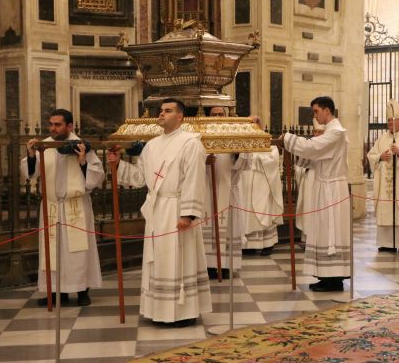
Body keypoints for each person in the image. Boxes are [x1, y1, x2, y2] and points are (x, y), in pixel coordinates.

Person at [107, 98, 211, 326]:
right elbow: (140, 178)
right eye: (161, 110)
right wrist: (118, 165)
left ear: (180, 116)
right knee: (159, 261)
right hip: (157, 211)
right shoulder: (152, 145)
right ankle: (159, 310)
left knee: (179, 258)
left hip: (176, 209)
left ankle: (183, 312)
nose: (162, 114)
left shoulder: (190, 143)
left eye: (168, 110)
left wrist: (188, 214)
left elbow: (194, 180)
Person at [22, 109, 103, 307]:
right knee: (53, 251)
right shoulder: (45, 146)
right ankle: (58, 291)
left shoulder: (82, 145)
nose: (53, 128)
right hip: (51, 206)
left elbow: (97, 176)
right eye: (51, 124)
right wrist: (32, 155)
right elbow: (30, 174)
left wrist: (83, 161)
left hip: (75, 205)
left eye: (58, 124)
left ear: (69, 126)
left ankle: (82, 290)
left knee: (78, 250)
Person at [282, 96, 349, 292]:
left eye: (316, 111)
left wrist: (288, 138)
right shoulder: (331, 131)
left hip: (333, 189)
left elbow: (313, 147)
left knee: (331, 231)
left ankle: (334, 279)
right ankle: (325, 276)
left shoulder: (336, 132)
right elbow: (316, 157)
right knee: (322, 230)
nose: (315, 115)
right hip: (324, 187)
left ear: (327, 110)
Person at [367, 99, 399, 252]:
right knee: (385, 210)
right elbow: (371, 155)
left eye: (392, 120)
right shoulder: (383, 138)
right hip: (384, 183)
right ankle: (386, 243)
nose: (389, 123)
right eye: (388, 120)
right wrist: (380, 157)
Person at [202, 106, 241, 279]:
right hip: (207, 192)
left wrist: (240, 153)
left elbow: (244, 163)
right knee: (208, 228)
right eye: (214, 114)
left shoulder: (232, 135)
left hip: (227, 190)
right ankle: (209, 266)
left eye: (220, 114)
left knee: (227, 229)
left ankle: (225, 266)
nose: (217, 117)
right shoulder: (200, 137)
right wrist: (203, 160)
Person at [238, 145, 283, 256]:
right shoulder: (244, 143)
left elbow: (273, 160)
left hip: (262, 181)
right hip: (245, 181)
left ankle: (268, 243)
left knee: (263, 209)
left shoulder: (270, 146)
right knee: (246, 210)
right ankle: (249, 245)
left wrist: (255, 157)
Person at [295, 118, 325, 243]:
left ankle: (319, 238)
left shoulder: (327, 145)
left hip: (321, 180)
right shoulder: (308, 145)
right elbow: (298, 165)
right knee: (308, 207)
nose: (317, 134)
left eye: (320, 132)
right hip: (309, 180)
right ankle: (307, 238)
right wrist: (302, 170)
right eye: (316, 132)